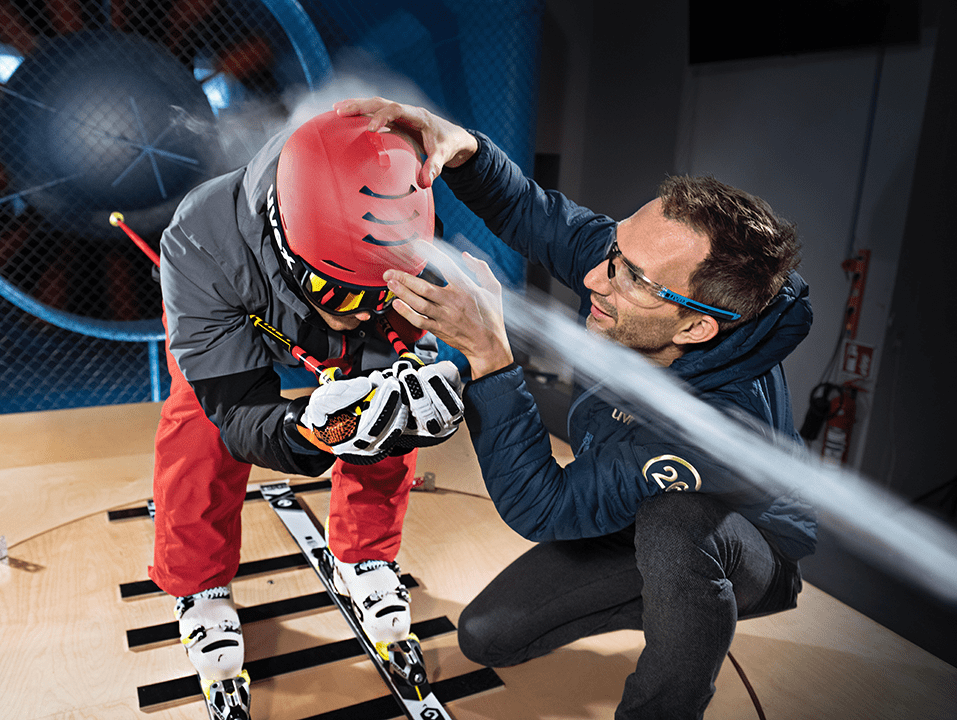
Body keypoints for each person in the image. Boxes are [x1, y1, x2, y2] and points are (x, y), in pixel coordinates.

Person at [335, 97, 817, 719]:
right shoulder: (639, 273)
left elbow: (546, 505)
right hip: (636, 503)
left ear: (697, 328)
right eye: (614, 253)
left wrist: (489, 357)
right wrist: (465, 150)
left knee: (674, 530)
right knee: (489, 636)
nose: (596, 278)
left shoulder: (719, 428)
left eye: (631, 279)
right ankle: (676, 603)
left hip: (740, 544)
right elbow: (537, 216)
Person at [150, 109, 465, 720]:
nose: (363, 313)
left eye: (382, 291)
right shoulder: (198, 242)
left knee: (391, 408)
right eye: (346, 296)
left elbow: (410, 341)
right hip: (232, 312)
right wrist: (308, 434)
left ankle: (365, 554)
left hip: (324, 297)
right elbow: (237, 410)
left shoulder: (400, 227)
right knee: (199, 427)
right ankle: (197, 585)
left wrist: (426, 387)